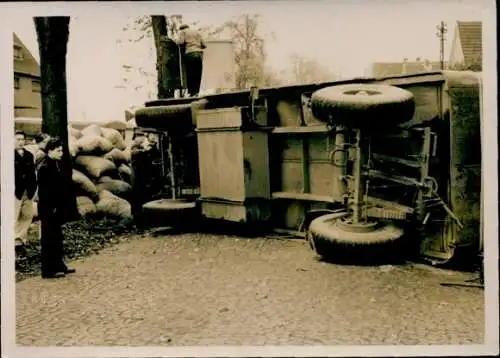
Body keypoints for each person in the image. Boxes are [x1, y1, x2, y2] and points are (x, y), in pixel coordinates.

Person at [37, 137, 75, 279]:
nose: (61, 153)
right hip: (48, 208)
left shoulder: (55, 164)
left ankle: (59, 265)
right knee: (49, 238)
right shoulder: (45, 167)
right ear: (50, 150)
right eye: (58, 151)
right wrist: (52, 207)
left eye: (62, 150)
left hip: (55, 207)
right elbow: (45, 191)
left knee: (57, 237)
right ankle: (49, 270)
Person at [14, 130, 37, 246]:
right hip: (15, 190)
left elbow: (32, 173)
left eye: (22, 139)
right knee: (14, 215)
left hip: (28, 190)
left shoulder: (29, 155)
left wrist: (33, 189)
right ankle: (11, 238)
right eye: (18, 139)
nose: (20, 142)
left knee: (27, 215)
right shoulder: (9, 155)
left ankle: (20, 239)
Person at [171, 24, 206, 97]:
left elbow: (180, 42)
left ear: (181, 29)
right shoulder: (197, 32)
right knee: (198, 74)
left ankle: (191, 92)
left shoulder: (183, 32)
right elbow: (204, 45)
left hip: (190, 53)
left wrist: (174, 40)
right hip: (199, 54)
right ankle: (196, 92)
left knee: (190, 73)